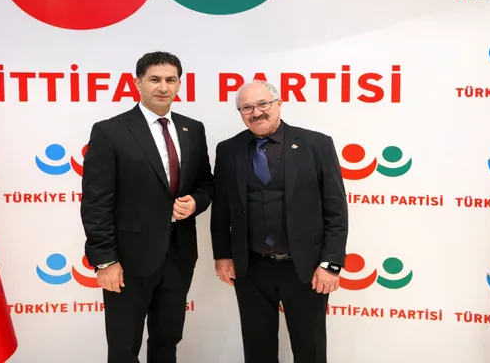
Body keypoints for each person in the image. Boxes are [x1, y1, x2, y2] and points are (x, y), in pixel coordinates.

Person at [80, 51, 214, 363]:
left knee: (167, 340)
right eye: (154, 79)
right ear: (138, 83)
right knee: (123, 345)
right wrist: (105, 261)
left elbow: (205, 182)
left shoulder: (193, 129)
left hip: (179, 255)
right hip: (127, 259)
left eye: (171, 80)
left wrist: (196, 202)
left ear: (179, 84)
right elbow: (96, 201)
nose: (163, 87)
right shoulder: (110, 131)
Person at [210, 80, 349, 363]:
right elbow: (221, 209)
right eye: (247, 107)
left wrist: (331, 263)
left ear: (279, 104)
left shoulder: (317, 144)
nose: (256, 112)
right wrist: (222, 255)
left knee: (310, 349)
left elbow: (336, 210)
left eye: (263, 104)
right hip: (251, 269)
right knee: (257, 350)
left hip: (306, 268)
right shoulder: (228, 150)